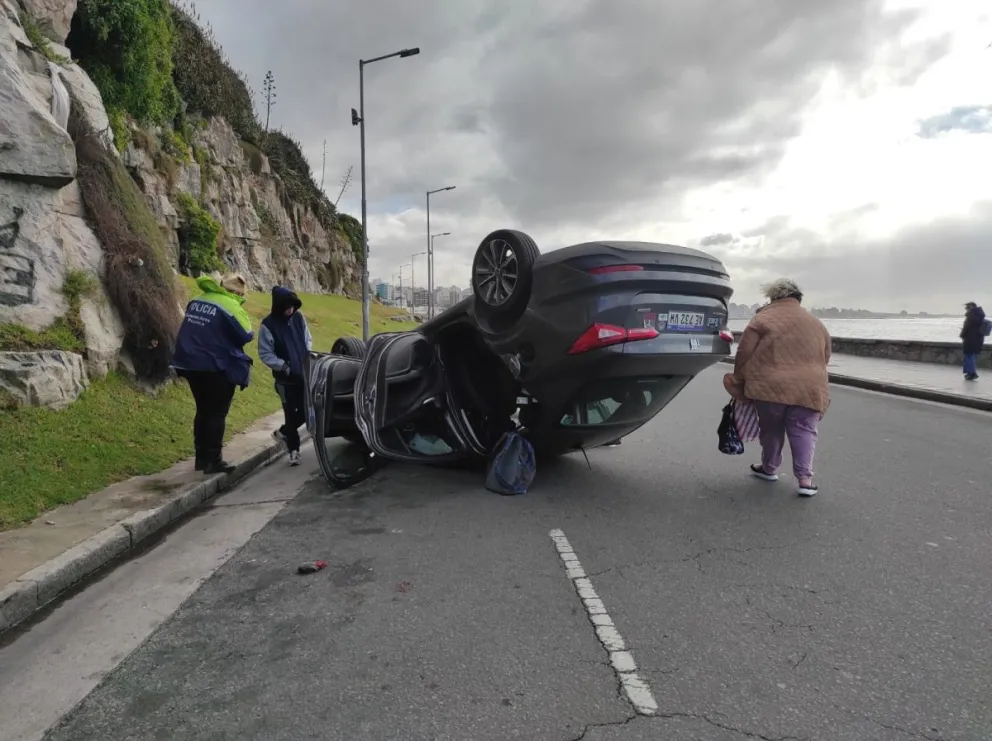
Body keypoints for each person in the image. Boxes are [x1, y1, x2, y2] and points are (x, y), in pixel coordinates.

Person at [727, 278, 831, 497]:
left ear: (773, 297)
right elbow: (826, 356)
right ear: (798, 299)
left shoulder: (762, 319)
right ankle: (805, 480)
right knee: (804, 430)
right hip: (810, 387)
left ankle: (769, 468)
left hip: (769, 386)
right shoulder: (817, 323)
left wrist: (739, 378)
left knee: (771, 428)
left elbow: (744, 352)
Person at [171, 273, 254, 474]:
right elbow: (247, 334)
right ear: (238, 292)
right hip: (214, 365)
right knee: (217, 412)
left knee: (203, 410)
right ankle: (213, 460)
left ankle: (201, 458)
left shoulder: (198, 299)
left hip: (189, 363)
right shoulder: (230, 305)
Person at [258, 286, 313, 465]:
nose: (290, 309)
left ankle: (282, 432)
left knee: (307, 411)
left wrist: (307, 357)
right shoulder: (268, 325)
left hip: (303, 375)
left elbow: (307, 339)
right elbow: (265, 353)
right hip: (284, 381)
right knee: (290, 414)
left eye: (292, 306)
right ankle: (294, 451)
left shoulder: (298, 317)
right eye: (287, 306)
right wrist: (283, 366)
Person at [960, 301, 986, 381]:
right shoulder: (980, 316)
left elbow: (967, 327)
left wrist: (962, 335)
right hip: (978, 339)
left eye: (967, 308)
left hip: (970, 339)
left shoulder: (972, 316)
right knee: (972, 356)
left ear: (971, 307)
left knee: (968, 356)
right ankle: (969, 373)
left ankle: (972, 373)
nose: (966, 309)